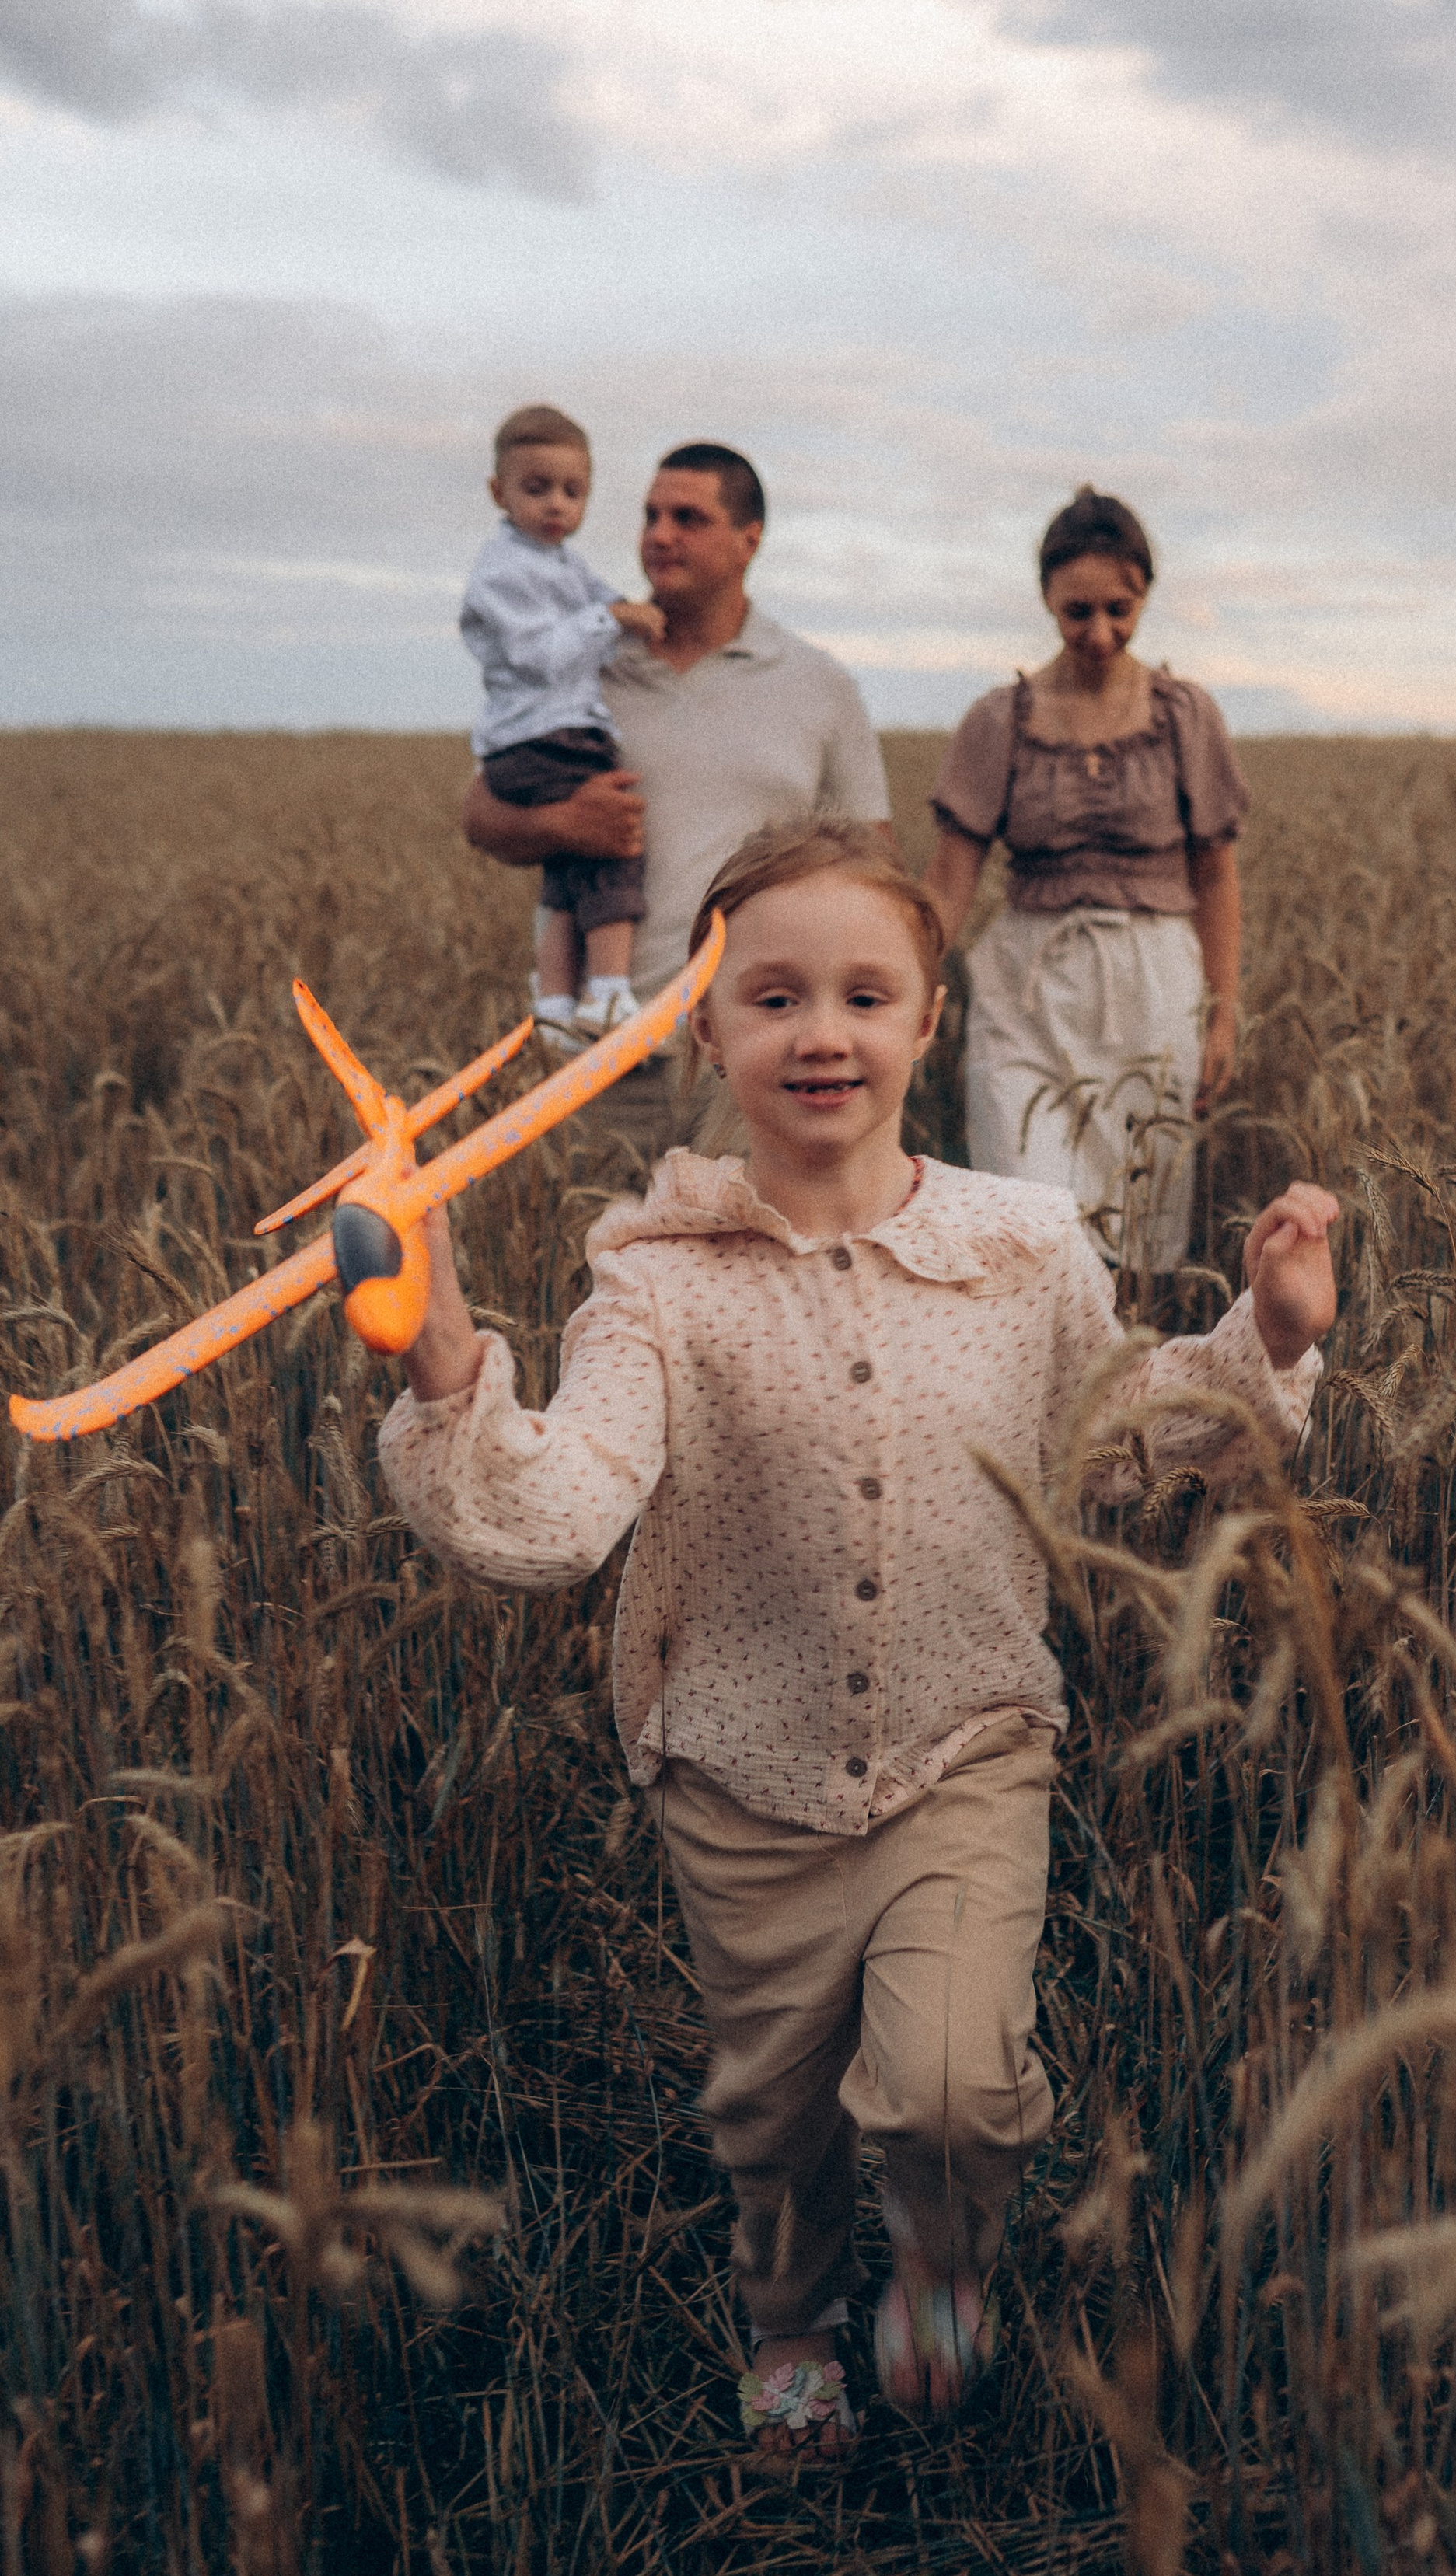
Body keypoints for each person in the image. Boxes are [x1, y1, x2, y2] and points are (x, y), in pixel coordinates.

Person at [375, 818, 1339, 2466]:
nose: (819, 1029)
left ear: (927, 1021)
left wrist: (1269, 1338)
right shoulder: (656, 1277)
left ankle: (943, 2269)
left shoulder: (1021, 1250)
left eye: (863, 993)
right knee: (772, 2109)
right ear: (707, 1029)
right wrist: (448, 1358)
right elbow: (560, 1511)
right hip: (740, 1778)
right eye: (772, 995)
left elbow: (1118, 1434)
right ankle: (789, 2316)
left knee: (954, 2087)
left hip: (969, 1745)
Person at [461, 442, 892, 1061]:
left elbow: (873, 864)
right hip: (597, 1055)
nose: (659, 536)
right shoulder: (584, 658)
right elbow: (480, 814)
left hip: (759, 1061)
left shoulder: (817, 683)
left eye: (688, 519)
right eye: (650, 516)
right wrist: (559, 824)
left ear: (750, 540)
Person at [924, 487, 1250, 1272]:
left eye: (1119, 608)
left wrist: (1223, 1014)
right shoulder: (998, 722)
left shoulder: (1184, 717)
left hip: (1153, 994)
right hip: (1025, 992)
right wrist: (892, 986)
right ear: (1045, 599)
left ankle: (1120, 1390)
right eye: (1077, 612)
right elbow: (947, 885)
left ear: (1145, 595)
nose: (1099, 633)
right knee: (1022, 1218)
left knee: (1137, 1231)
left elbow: (1215, 875)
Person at [460, 404, 668, 1046]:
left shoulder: (562, 563)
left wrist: (626, 611)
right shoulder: (503, 571)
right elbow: (540, 656)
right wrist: (616, 621)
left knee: (566, 875)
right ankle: (607, 994)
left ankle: (553, 1006)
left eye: (572, 491)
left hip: (545, 735)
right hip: (545, 737)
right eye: (536, 488)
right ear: (499, 492)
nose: (556, 504)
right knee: (614, 844)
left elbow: (606, 600)